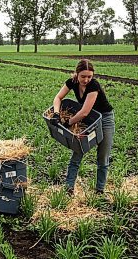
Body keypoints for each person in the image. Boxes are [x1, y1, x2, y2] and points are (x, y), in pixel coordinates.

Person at [51, 59, 114, 195]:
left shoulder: (93, 86)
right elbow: (58, 98)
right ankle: (69, 188)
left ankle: (99, 190)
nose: (86, 80)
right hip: (86, 119)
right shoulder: (72, 82)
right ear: (77, 74)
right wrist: (56, 114)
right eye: (83, 76)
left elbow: (84, 111)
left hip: (104, 118)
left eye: (89, 76)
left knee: (103, 155)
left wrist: (68, 123)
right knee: (78, 150)